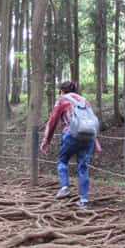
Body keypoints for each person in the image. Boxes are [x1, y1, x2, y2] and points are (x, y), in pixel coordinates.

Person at [40, 80, 101, 209]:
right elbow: (91, 123)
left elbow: (52, 121)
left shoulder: (62, 100)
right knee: (83, 167)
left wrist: (46, 140)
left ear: (62, 91)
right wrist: (96, 142)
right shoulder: (85, 101)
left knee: (62, 160)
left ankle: (64, 187)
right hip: (88, 137)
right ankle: (84, 201)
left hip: (71, 135)